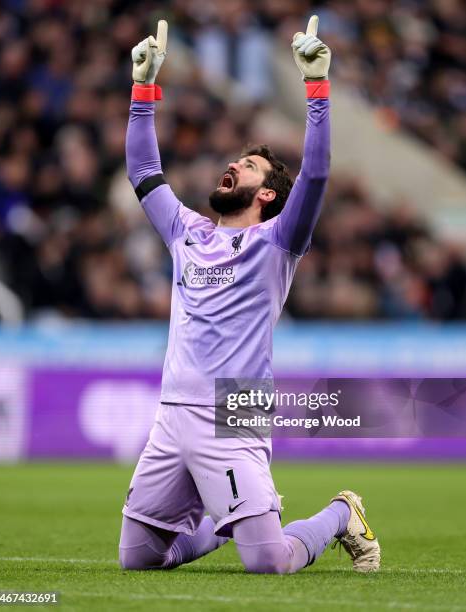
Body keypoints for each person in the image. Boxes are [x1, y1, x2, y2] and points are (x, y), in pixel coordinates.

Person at [119, 16, 380, 574]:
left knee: (269, 564)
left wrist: (317, 88)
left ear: (265, 193)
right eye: (237, 158)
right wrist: (143, 90)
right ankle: (226, 521)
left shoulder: (278, 242)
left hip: (232, 409)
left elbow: (316, 175)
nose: (232, 162)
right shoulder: (185, 230)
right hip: (173, 411)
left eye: (249, 164)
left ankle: (341, 512)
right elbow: (143, 168)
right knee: (139, 559)